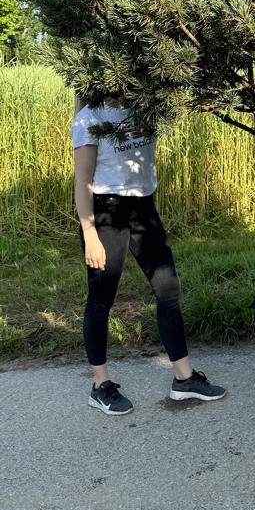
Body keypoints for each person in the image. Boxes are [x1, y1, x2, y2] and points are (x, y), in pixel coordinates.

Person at [72, 93, 226, 415]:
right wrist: (90, 235)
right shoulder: (90, 117)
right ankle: (100, 386)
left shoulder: (149, 103)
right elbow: (83, 182)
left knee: (168, 290)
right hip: (107, 212)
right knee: (101, 299)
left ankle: (183, 379)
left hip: (144, 208)